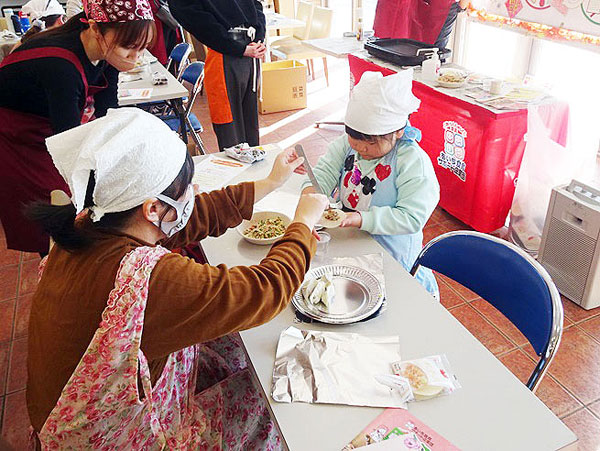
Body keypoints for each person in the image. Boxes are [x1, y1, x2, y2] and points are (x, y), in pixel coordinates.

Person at [27, 107, 328, 449]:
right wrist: (302, 225)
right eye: (186, 188)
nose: (193, 192)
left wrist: (269, 183)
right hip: (112, 437)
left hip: (71, 417)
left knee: (231, 347)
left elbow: (189, 217)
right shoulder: (148, 279)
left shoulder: (92, 222)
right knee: (264, 398)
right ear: (152, 209)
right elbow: (265, 290)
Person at [0, 0, 155, 256]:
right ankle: (57, 265)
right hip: (17, 134)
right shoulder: (62, 65)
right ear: (96, 29)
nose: (135, 57)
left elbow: (109, 113)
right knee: (57, 202)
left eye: (142, 48)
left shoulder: (106, 52)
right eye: (129, 47)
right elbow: (70, 145)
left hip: (49, 124)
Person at [302, 70, 440, 297]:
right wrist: (312, 196)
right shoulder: (347, 146)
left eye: (371, 144)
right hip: (353, 243)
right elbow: (321, 176)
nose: (361, 150)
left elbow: (411, 217)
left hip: (393, 257)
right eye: (354, 141)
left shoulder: (412, 162)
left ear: (397, 132)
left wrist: (361, 218)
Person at [168, 0, 266, 151]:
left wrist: (258, 37)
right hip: (224, 53)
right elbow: (189, 13)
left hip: (250, 52)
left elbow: (256, 5)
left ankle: (254, 172)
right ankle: (238, 171)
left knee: (250, 125)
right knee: (229, 128)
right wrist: (235, 46)